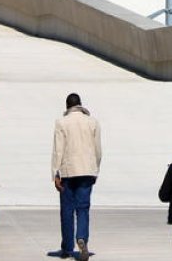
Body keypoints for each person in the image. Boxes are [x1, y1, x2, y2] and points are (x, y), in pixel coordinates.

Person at [50, 93, 102, 260]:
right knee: (83, 208)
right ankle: (82, 238)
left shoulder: (61, 123)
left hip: (67, 171)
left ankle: (66, 247)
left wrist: (55, 173)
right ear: (80, 105)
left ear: (67, 107)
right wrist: (96, 170)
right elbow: (98, 150)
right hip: (87, 170)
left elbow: (58, 150)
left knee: (67, 210)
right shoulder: (93, 122)